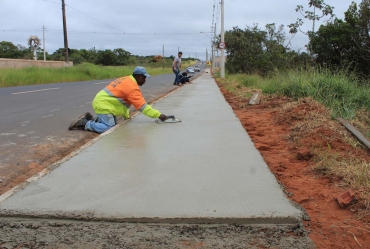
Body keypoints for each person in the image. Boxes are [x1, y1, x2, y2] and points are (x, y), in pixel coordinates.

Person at [68, 66, 168, 133]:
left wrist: (127, 117)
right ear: (138, 76)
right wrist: (159, 115)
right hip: (104, 105)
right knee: (109, 128)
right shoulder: (132, 87)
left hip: (102, 102)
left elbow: (124, 103)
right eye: (144, 78)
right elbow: (143, 107)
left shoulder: (126, 79)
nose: (145, 81)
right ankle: (85, 123)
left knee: (113, 123)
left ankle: (93, 118)